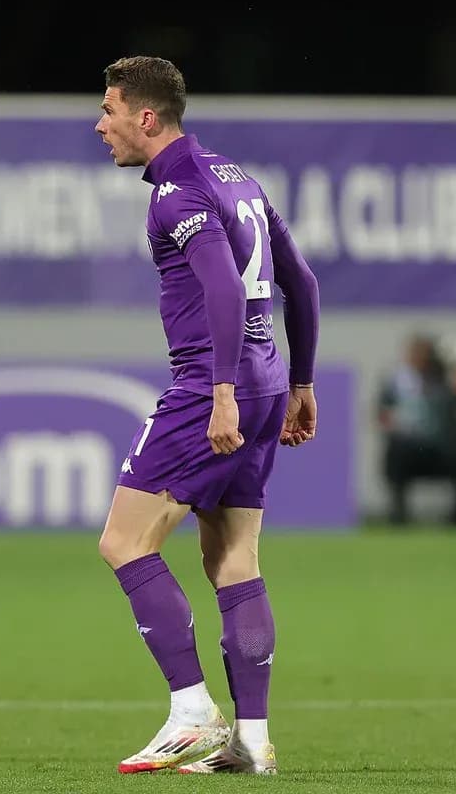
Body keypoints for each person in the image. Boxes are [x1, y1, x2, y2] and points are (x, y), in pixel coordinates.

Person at [93, 56, 320, 776]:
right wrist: (302, 380)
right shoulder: (236, 178)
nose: (102, 125)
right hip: (269, 380)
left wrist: (219, 389)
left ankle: (192, 712)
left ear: (147, 118)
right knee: (232, 556)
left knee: (124, 542)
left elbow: (222, 285)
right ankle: (252, 743)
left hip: (211, 389)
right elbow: (301, 281)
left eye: (110, 110)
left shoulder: (177, 191)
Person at [376, 333, 456, 524]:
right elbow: (381, 413)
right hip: (409, 448)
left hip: (441, 448)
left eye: (424, 354)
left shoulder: (445, 380)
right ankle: (398, 514)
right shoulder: (396, 381)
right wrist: (393, 423)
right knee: (395, 452)